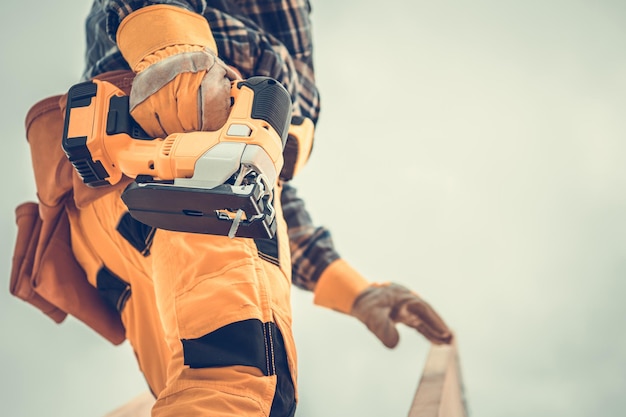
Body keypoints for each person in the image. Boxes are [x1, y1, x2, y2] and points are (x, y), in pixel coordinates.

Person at [16, 1, 452, 416]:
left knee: (199, 390)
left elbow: (262, 195)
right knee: (243, 386)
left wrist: (355, 290)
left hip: (126, 196)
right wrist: (181, 73)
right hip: (192, 166)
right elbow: (241, 176)